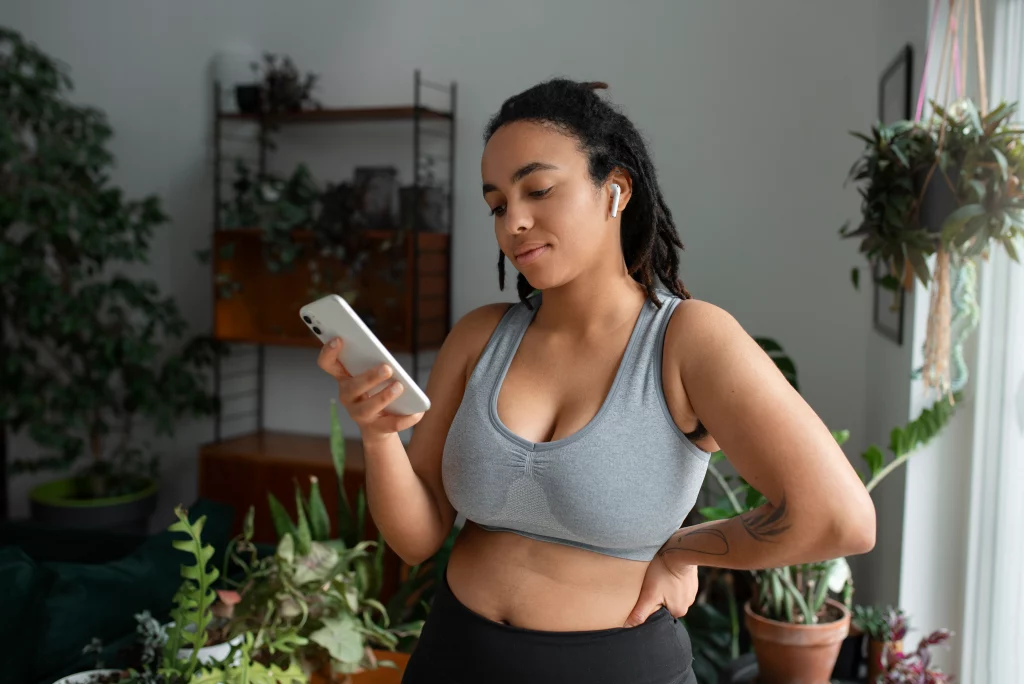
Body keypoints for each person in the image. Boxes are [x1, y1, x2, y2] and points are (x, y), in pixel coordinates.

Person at [317, 78, 876, 684]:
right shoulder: (481, 337)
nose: (515, 222)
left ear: (615, 190)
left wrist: (684, 548)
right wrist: (377, 436)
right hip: (453, 657)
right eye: (498, 204)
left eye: (538, 189)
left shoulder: (688, 340)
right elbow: (417, 539)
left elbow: (838, 517)